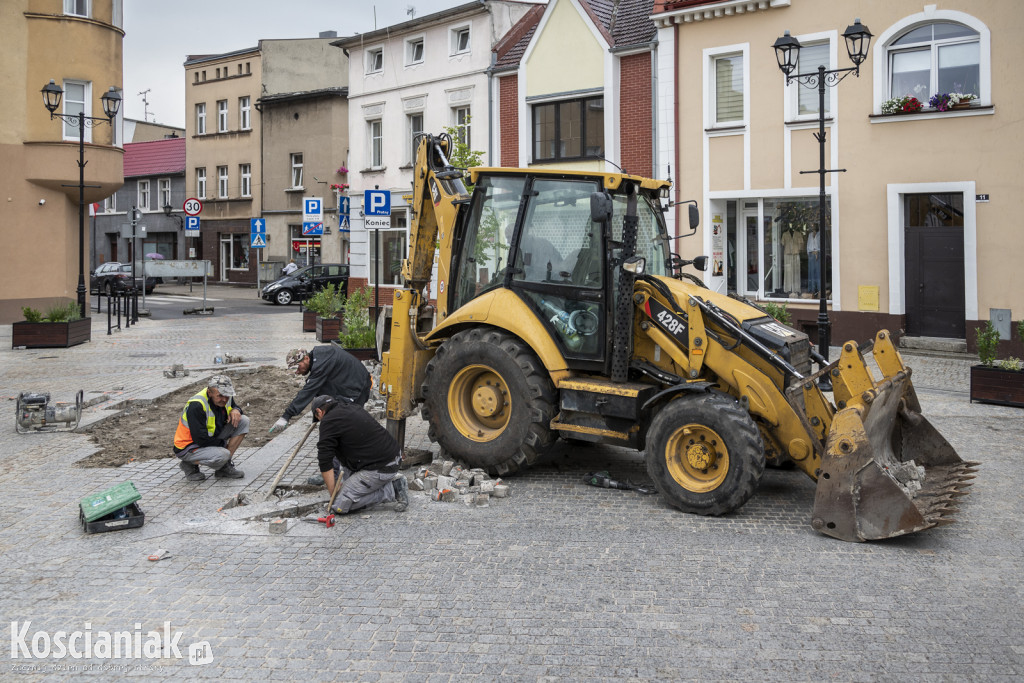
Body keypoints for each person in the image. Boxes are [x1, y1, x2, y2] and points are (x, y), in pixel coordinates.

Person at [310, 395, 408, 514]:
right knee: (344, 468)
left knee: (339, 505)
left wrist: (333, 494)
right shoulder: (350, 408)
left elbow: (325, 461)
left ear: (319, 411)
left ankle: (392, 489)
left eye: (318, 418)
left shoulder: (329, 421)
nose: (320, 422)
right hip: (389, 457)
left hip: (383, 466)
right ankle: (363, 487)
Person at [270, 345, 372, 433]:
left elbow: (309, 391)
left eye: (297, 367)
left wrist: (286, 416)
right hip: (348, 383)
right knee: (336, 419)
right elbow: (318, 390)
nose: (297, 372)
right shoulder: (319, 359)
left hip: (358, 388)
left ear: (306, 358)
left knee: (348, 423)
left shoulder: (322, 362)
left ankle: (353, 449)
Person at [173, 375, 247, 481]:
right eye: (220, 396)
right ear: (209, 393)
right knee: (223, 454)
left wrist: (236, 410)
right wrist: (222, 445)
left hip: (212, 437)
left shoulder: (225, 395)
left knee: (243, 421)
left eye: (227, 395)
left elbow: (234, 406)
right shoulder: (197, 405)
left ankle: (223, 468)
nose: (224, 399)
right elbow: (201, 439)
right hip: (188, 447)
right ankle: (188, 463)